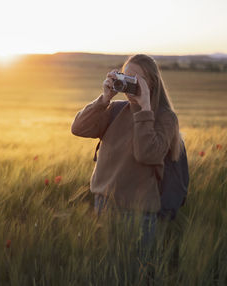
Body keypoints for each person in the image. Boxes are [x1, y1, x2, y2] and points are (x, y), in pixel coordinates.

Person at [71, 54, 183, 257]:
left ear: (151, 83)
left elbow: (146, 154)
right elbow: (78, 128)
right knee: (106, 269)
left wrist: (145, 108)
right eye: (125, 77)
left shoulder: (166, 118)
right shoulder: (115, 109)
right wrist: (104, 98)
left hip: (139, 213)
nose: (128, 84)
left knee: (133, 273)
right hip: (104, 204)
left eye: (135, 80)